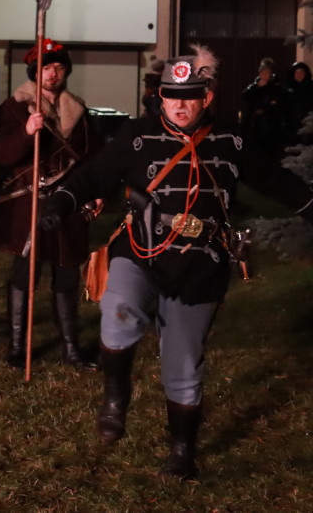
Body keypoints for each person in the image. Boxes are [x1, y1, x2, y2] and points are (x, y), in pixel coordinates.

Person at [36, 46, 311, 480]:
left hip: (201, 264)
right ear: (160, 97)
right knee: (118, 314)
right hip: (140, 251)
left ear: (207, 98)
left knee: (183, 366)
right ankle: (115, 396)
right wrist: (61, 202)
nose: (180, 105)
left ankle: (182, 451)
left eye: (190, 96)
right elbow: (93, 175)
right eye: (171, 95)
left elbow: (277, 180)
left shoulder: (230, 141)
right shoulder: (137, 137)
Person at [0, 39, 98, 370]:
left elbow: (93, 157)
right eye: (47, 67)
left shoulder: (79, 110)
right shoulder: (15, 107)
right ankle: (17, 347)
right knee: (24, 274)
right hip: (29, 203)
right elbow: (2, 154)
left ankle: (71, 348)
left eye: (59, 67)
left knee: (67, 274)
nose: (53, 73)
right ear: (36, 72)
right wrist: (26, 131)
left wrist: (96, 192)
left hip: (69, 205)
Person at [240, 57, 286, 158]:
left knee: (269, 154)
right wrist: (257, 86)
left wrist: (264, 108)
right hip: (254, 125)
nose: (265, 75)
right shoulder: (254, 86)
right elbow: (245, 97)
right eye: (263, 72)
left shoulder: (276, 87)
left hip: (270, 126)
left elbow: (277, 104)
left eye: (267, 73)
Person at [283, 61, 313, 144]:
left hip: (307, 121)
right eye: (297, 72)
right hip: (291, 122)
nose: (299, 75)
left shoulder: (310, 87)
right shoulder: (287, 88)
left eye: (302, 72)